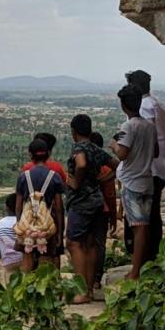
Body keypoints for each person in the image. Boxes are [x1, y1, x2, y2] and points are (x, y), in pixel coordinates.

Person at [124, 69, 165, 261]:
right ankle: (153, 254)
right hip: (160, 166)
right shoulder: (159, 105)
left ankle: (142, 257)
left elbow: (143, 138)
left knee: (140, 218)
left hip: (147, 169)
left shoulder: (144, 108)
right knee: (153, 215)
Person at [64, 114, 114, 304]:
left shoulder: (79, 148)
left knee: (74, 243)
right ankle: (91, 288)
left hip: (81, 202)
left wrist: (75, 182)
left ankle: (82, 291)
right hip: (97, 201)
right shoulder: (95, 148)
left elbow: (82, 164)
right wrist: (105, 179)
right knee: (91, 244)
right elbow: (117, 165)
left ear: (74, 132)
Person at [112, 84, 157, 280]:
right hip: (147, 181)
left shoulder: (128, 126)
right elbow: (155, 152)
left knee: (138, 229)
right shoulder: (149, 125)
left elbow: (122, 154)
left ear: (123, 106)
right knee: (144, 227)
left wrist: (114, 145)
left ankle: (135, 271)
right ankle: (141, 266)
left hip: (132, 182)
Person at [14, 137, 65, 272]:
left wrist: (20, 226)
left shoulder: (23, 177)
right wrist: (60, 233)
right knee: (46, 263)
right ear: (48, 154)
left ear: (30, 155)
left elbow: (18, 205)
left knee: (27, 260)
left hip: (27, 227)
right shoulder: (54, 177)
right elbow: (59, 208)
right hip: (47, 225)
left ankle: (26, 290)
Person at [90, 130, 118, 292]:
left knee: (86, 244)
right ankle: (96, 279)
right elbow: (110, 196)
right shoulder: (107, 170)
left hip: (86, 211)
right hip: (103, 211)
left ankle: (87, 278)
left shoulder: (82, 164)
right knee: (99, 245)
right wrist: (113, 219)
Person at [0, 193, 23, 285]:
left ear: (7, 207)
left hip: (9, 261)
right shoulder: (23, 221)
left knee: (11, 289)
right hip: (25, 259)